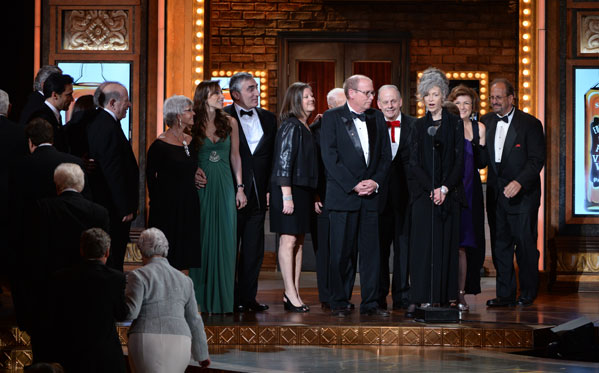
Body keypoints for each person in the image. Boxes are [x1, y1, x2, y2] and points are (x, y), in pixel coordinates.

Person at [320, 74, 391, 317]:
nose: (373, 97)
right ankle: (339, 300)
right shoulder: (331, 118)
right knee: (341, 253)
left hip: (371, 197)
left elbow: (385, 156)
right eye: (368, 93)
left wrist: (375, 182)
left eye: (372, 93)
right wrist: (353, 185)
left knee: (372, 254)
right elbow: (330, 158)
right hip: (343, 196)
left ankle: (371, 303)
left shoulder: (377, 117)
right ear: (351, 93)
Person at [405, 67, 464, 318]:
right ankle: (419, 297)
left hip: (448, 195)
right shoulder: (418, 126)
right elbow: (413, 162)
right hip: (423, 196)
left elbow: (459, 161)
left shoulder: (455, 124)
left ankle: (442, 297)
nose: (430, 99)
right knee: (422, 247)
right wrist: (431, 188)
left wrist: (444, 188)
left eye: (435, 94)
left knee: (444, 246)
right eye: (426, 94)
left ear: (444, 97)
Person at [481, 78, 545, 307]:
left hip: (523, 195)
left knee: (525, 244)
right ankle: (505, 294)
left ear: (511, 98)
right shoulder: (485, 122)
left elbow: (537, 159)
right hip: (496, 196)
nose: (494, 101)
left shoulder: (530, 123)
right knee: (501, 245)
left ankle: (528, 291)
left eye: (498, 97)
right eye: (491, 97)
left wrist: (519, 182)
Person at [190, 80, 246, 314]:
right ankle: (199, 301)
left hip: (224, 184)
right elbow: (184, 154)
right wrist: (192, 172)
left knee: (226, 239)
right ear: (203, 97)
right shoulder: (191, 123)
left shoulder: (230, 122)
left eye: (221, 93)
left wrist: (240, 187)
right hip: (201, 186)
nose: (221, 97)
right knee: (201, 239)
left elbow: (235, 156)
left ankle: (223, 302)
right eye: (216, 94)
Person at [224, 72, 277, 312]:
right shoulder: (222, 118)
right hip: (231, 194)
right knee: (229, 248)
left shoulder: (268, 118)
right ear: (235, 94)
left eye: (256, 88)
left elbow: (273, 158)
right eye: (250, 89)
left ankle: (248, 297)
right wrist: (236, 188)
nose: (256, 93)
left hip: (259, 197)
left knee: (254, 250)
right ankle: (229, 297)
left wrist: (269, 189)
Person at [126, 228, 210, 372]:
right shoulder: (185, 280)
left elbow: (131, 313)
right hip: (180, 341)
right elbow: (194, 319)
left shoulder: (138, 276)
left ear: (141, 251)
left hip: (146, 339)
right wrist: (202, 354)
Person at [49, 228, 129, 372]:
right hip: (106, 355)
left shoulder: (61, 277)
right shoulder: (116, 278)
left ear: (82, 250)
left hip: (72, 353)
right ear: (107, 252)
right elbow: (122, 314)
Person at [270, 82, 318, 312]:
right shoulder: (291, 126)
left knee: (298, 242)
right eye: (306, 96)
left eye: (311, 95)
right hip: (288, 191)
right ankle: (289, 292)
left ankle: (294, 292)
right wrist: (286, 196)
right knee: (288, 241)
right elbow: (283, 162)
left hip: (301, 191)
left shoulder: (304, 126)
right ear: (296, 101)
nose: (312, 99)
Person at [87, 81, 139, 272]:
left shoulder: (104, 123)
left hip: (110, 206)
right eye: (126, 100)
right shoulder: (107, 126)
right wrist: (124, 207)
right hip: (113, 209)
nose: (129, 105)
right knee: (113, 258)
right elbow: (112, 171)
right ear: (112, 103)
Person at [146, 95, 202, 270]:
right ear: (178, 115)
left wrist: (198, 173)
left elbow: (192, 167)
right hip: (168, 207)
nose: (193, 113)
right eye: (189, 110)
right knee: (169, 255)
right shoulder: (159, 145)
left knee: (187, 253)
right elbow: (150, 177)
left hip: (189, 203)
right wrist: (157, 204)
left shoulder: (192, 142)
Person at [376, 84, 416, 311]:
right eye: (385, 102)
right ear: (379, 104)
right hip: (378, 200)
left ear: (400, 101)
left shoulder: (414, 125)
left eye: (393, 101)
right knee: (379, 251)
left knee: (404, 250)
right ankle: (379, 297)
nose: (390, 106)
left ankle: (402, 297)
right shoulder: (371, 125)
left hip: (406, 199)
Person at [447, 85, 487, 311]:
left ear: (472, 107)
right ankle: (444, 292)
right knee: (448, 244)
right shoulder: (445, 126)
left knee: (464, 245)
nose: (462, 107)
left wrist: (479, 143)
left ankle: (460, 293)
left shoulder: (479, 127)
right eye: (458, 103)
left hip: (470, 194)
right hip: (448, 191)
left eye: (467, 104)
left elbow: (482, 163)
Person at [310, 87, 347, 309]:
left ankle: (340, 294)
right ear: (331, 106)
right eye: (342, 104)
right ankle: (326, 295)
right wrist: (314, 194)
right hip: (322, 197)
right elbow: (312, 164)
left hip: (346, 196)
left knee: (343, 248)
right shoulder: (316, 129)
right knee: (323, 248)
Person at [25, 73, 74, 152]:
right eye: (68, 95)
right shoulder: (41, 118)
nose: (72, 99)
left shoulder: (55, 116)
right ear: (55, 95)